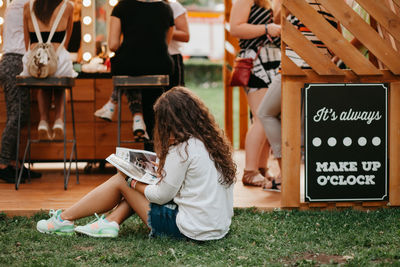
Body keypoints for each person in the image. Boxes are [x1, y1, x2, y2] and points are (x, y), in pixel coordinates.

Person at [36, 87, 237, 240]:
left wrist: (131, 181)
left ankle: (64, 219)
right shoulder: (209, 142)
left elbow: (160, 196)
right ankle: (110, 222)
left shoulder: (182, 149)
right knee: (136, 186)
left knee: (121, 181)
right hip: (218, 227)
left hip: (189, 231)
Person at [257, 0, 339, 191]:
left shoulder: (294, 3)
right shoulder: (331, 7)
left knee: (266, 113)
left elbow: (278, 19)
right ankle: (295, 177)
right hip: (317, 70)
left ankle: (286, 175)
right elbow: (335, 44)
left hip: (293, 67)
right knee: (302, 127)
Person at [94, 0, 189, 140]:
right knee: (135, 67)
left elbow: (113, 45)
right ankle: (156, 137)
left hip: (128, 65)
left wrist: (131, 49)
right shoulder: (166, 8)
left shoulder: (121, 7)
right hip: (160, 65)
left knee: (128, 68)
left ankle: (130, 113)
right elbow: (165, 43)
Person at [229, 0, 281, 186]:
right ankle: (250, 171)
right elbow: (235, 28)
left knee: (269, 118)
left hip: (273, 62)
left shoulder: (270, 2)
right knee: (262, 118)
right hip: (256, 62)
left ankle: (261, 167)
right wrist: (266, 28)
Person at [20, 0, 76, 140]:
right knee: (60, 85)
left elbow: (26, 41)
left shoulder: (28, 7)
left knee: (43, 83)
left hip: (35, 62)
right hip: (58, 58)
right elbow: (67, 39)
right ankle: (58, 119)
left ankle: (43, 121)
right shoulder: (67, 6)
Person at [0, 0, 42, 183]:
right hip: (15, 61)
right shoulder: (27, 4)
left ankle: (13, 162)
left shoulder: (13, 5)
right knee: (17, 115)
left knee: (18, 115)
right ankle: (3, 164)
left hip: (10, 60)